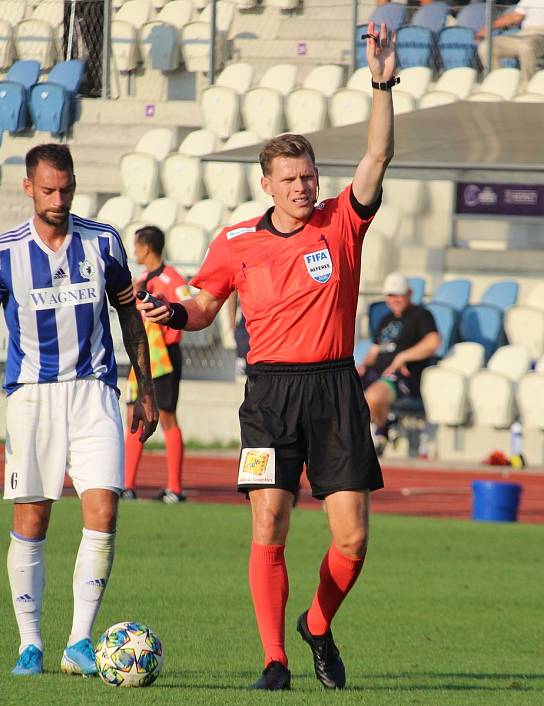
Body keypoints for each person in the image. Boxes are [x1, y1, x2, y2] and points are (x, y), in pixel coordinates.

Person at [138, 21, 397, 692]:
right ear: (267, 184)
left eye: (309, 176)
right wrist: (173, 313)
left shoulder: (342, 220)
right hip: (270, 395)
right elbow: (202, 305)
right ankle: (275, 660)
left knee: (352, 540)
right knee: (269, 518)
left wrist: (380, 82)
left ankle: (317, 623)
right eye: (290, 179)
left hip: (336, 391)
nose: (303, 187)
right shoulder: (235, 241)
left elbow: (377, 156)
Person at [0, 143, 158, 678]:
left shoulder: (104, 241)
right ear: (29, 187)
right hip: (32, 398)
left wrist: (146, 386)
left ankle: (79, 642)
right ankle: (30, 643)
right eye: (48, 190)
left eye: (66, 188)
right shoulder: (4, 251)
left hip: (95, 391)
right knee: (32, 518)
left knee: (105, 513)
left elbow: (130, 317)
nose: (59, 198)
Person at [122, 226, 192, 503]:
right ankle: (127, 485)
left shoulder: (172, 278)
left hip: (163, 356)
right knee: (133, 415)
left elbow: (189, 306)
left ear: (147, 248)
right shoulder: (141, 280)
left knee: (166, 417)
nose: (134, 251)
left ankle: (175, 488)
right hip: (141, 355)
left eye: (137, 246)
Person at [357, 272, 440, 455]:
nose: (394, 299)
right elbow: (375, 349)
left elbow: (433, 343)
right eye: (390, 295)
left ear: (409, 293)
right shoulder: (385, 319)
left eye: (398, 294)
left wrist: (403, 357)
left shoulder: (421, 315)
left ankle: (381, 429)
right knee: (340, 393)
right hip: (376, 371)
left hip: (402, 376)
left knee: (374, 397)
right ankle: (385, 424)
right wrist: (362, 366)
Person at [477, 0, 544, 87]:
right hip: (524, 34)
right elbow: (515, 16)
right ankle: (500, 83)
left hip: (541, 34)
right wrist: (488, 28)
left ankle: (526, 85)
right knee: (486, 46)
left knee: (526, 46)